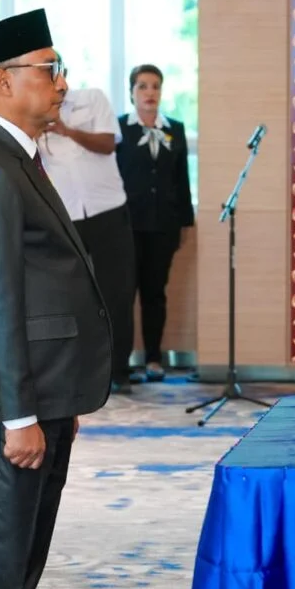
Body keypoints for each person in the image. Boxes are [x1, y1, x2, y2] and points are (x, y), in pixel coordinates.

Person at [0, 8, 112, 589]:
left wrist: (57, 402)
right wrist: (19, 416)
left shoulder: (17, 160)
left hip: (41, 395)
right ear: (5, 80)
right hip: (4, 407)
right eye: (49, 69)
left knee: (17, 573)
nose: (63, 83)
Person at [39, 77, 137, 394]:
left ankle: (119, 370)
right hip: (66, 215)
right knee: (69, 296)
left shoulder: (92, 99)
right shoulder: (35, 114)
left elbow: (108, 144)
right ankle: (76, 370)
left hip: (107, 209)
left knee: (117, 293)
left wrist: (66, 130)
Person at [115, 64, 194, 381]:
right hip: (126, 225)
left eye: (155, 86)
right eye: (143, 86)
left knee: (155, 294)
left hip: (164, 226)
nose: (150, 93)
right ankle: (119, 362)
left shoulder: (175, 128)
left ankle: (153, 359)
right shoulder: (119, 128)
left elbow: (181, 180)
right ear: (132, 92)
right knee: (123, 294)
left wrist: (185, 222)